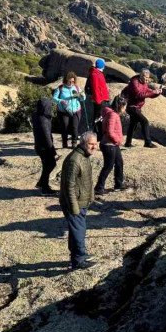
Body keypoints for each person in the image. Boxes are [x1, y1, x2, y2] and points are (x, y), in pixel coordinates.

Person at [59, 132, 100, 270]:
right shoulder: (74, 160)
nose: (94, 146)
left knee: (76, 231)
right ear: (83, 144)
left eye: (95, 143)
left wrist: (91, 196)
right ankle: (79, 261)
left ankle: (77, 255)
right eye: (91, 144)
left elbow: (87, 180)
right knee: (79, 232)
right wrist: (73, 207)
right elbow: (68, 186)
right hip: (74, 204)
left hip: (82, 201)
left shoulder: (85, 156)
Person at [95, 96, 128, 195]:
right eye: (124, 107)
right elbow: (109, 131)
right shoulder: (113, 115)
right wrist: (118, 140)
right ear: (120, 106)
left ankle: (119, 183)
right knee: (108, 166)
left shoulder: (110, 113)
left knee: (119, 163)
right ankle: (99, 187)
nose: (125, 109)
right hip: (109, 144)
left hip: (113, 144)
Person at [123, 69, 163, 148]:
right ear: (141, 76)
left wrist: (157, 92)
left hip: (137, 107)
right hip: (132, 107)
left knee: (132, 125)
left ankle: (128, 143)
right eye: (146, 77)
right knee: (145, 122)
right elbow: (139, 95)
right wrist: (153, 92)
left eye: (148, 78)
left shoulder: (144, 84)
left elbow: (149, 93)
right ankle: (147, 142)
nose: (147, 79)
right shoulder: (134, 82)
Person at [30, 98, 57, 196]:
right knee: (50, 165)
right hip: (44, 148)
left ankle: (42, 183)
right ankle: (44, 188)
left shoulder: (38, 116)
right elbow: (47, 137)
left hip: (40, 146)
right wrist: (53, 151)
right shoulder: (43, 119)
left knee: (48, 165)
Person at [52, 72, 85, 148]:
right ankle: (64, 143)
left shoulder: (76, 88)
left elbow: (82, 98)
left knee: (75, 127)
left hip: (76, 110)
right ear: (65, 80)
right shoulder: (60, 88)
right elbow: (54, 98)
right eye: (69, 81)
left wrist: (83, 96)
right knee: (65, 127)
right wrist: (60, 101)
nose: (71, 83)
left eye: (73, 81)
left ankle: (74, 143)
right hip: (64, 111)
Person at [84, 59, 110, 136]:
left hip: (102, 98)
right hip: (99, 99)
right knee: (97, 117)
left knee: (100, 116)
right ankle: (97, 133)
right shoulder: (95, 74)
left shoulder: (98, 73)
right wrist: (98, 100)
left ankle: (99, 133)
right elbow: (95, 88)